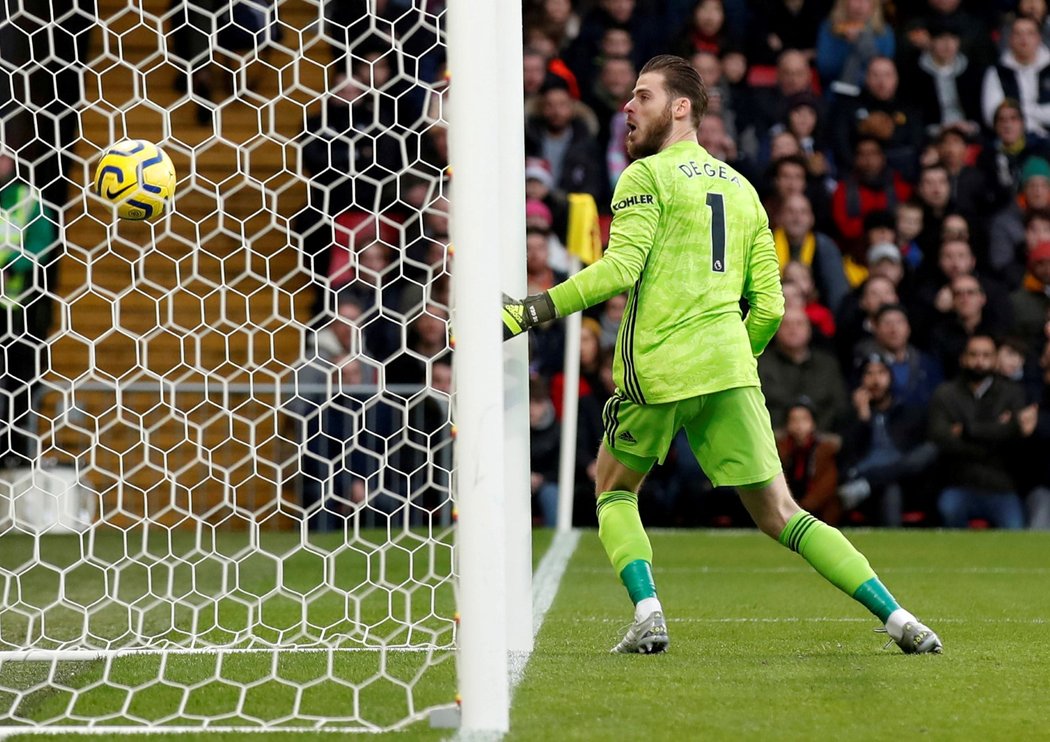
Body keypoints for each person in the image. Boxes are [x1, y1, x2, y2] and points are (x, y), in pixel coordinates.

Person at [501, 55, 942, 655]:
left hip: (659, 367)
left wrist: (531, 311)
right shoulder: (745, 193)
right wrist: (735, 356)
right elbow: (770, 308)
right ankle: (899, 619)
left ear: (681, 107)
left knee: (612, 487)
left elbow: (621, 269)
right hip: (731, 370)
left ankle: (648, 611)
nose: (628, 108)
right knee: (783, 513)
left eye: (643, 97)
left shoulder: (645, 176)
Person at [928, 334, 1037, 528]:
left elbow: (1014, 435)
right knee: (948, 509)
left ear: (995, 359)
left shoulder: (1012, 392)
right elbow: (940, 437)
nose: (980, 361)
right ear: (963, 358)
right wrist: (994, 433)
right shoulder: (945, 393)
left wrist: (966, 431)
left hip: (1001, 486)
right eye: (974, 355)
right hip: (959, 482)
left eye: (986, 355)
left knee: (1016, 528)